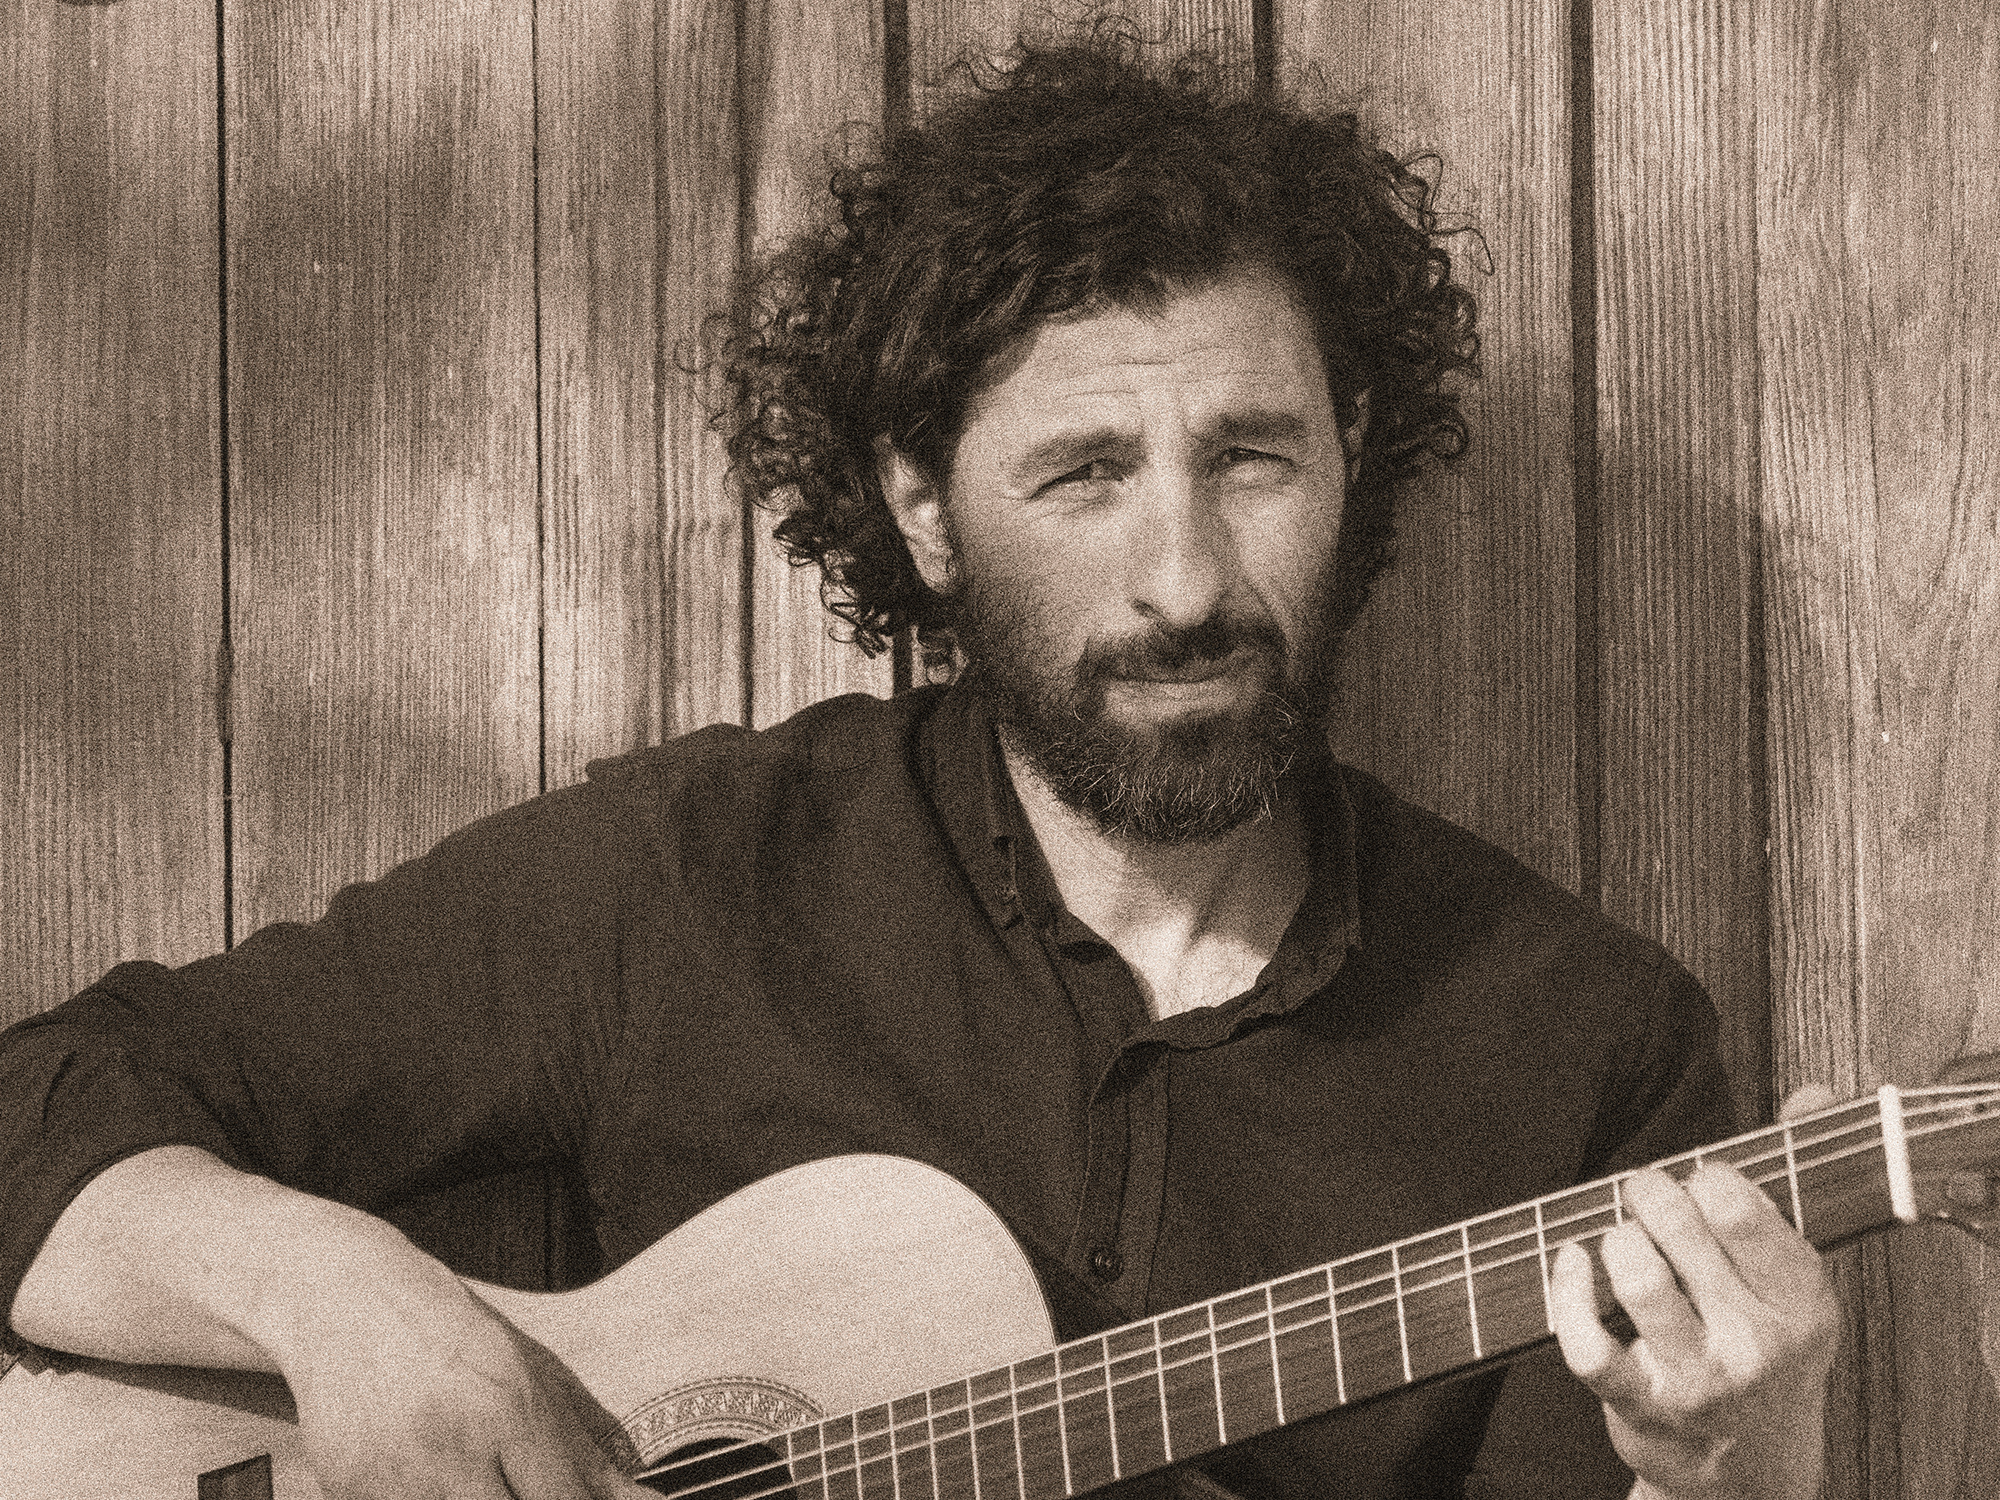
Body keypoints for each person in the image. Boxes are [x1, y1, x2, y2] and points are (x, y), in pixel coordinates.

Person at [0, 35, 1835, 1500]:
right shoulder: (698, 879)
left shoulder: (1583, 1053)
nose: (1188, 578)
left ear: (1354, 450)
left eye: (1254, 457)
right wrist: (343, 1295)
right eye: (1085, 473)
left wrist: (1738, 1474)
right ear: (923, 508)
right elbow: (37, 1106)